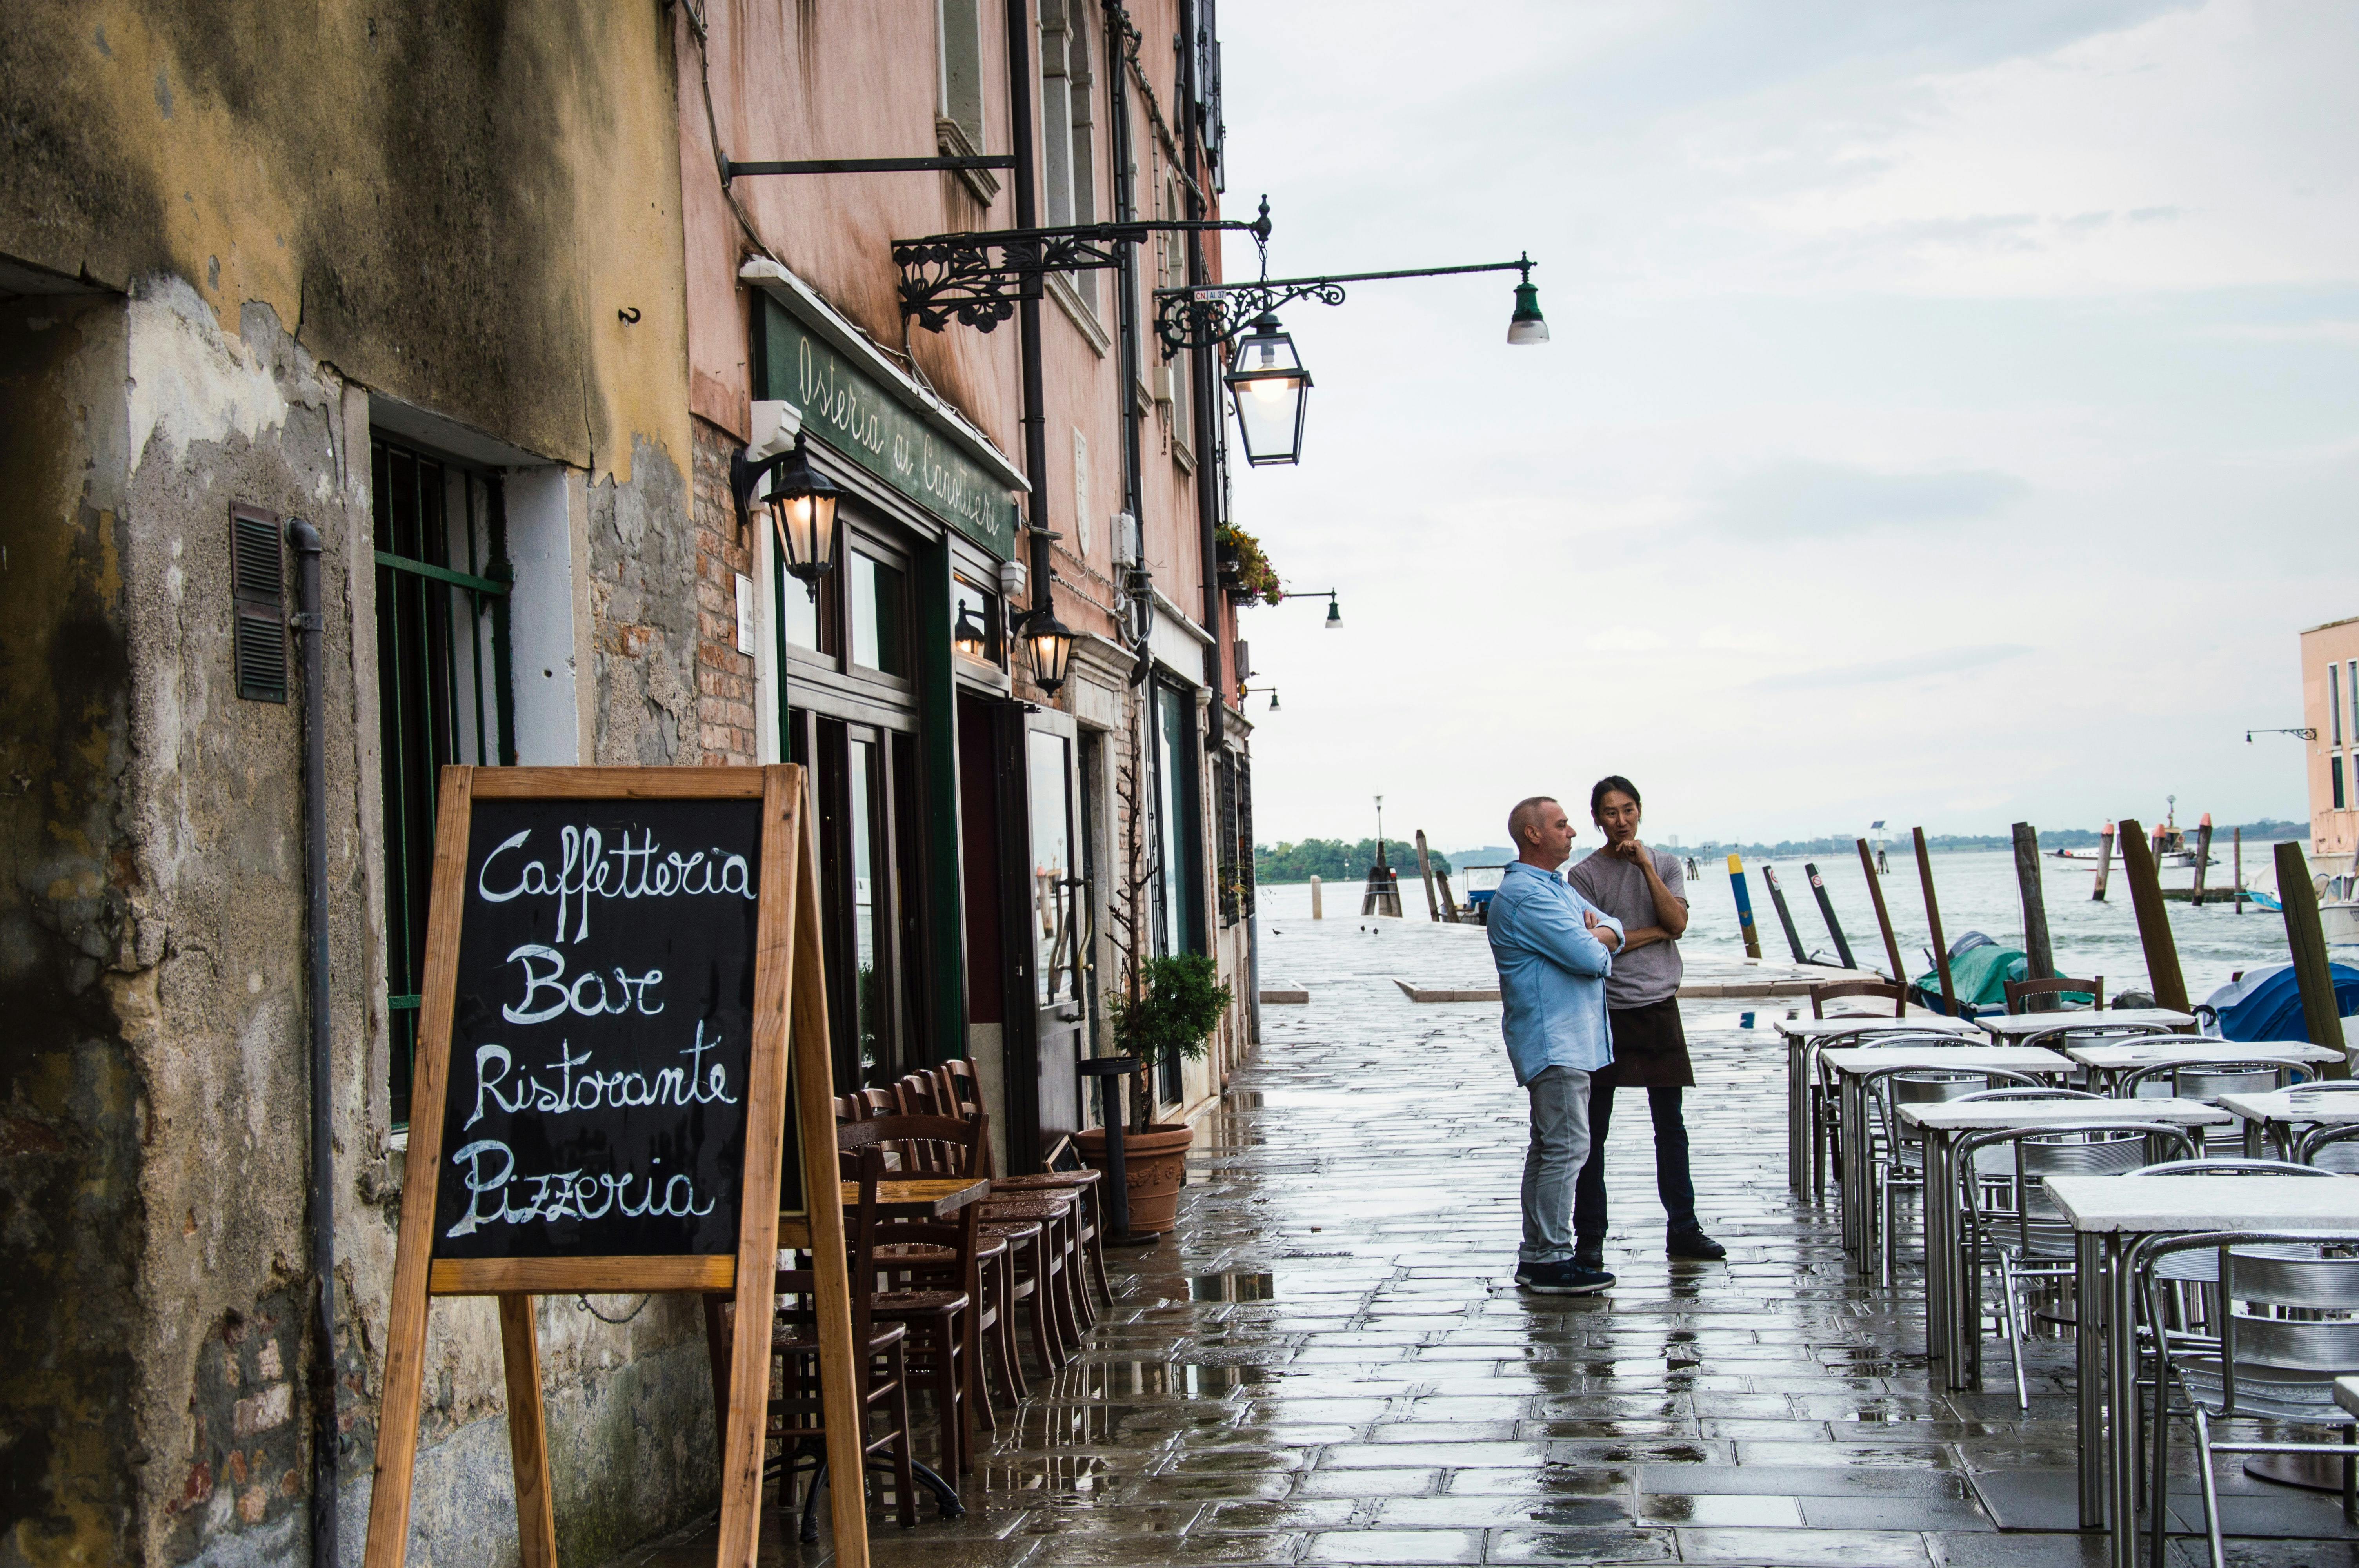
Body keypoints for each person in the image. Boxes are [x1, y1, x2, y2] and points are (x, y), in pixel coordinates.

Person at [1566, 776, 1725, 1265]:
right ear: (1596, 819)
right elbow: (1594, 942)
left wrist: (1644, 869)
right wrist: (1652, 931)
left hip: (1658, 1005)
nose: (1621, 820)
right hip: (1605, 1009)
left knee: (1670, 1126)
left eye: (1628, 810)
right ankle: (1589, 1239)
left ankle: (1683, 1227)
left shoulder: (1668, 864)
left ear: (1640, 811)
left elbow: (1675, 924)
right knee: (1593, 1130)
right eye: (1610, 813)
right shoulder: (1584, 876)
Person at [1486, 795, 1624, 1294]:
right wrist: (1598, 939)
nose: (1573, 833)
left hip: (1570, 1039)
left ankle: (1541, 1253)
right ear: (1533, 835)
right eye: (1562, 825)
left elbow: (1616, 928)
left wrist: (1603, 933)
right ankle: (1548, 1257)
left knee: (1552, 1147)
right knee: (1564, 1147)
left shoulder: (1556, 888)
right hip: (1554, 1040)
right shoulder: (1529, 896)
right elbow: (1589, 956)